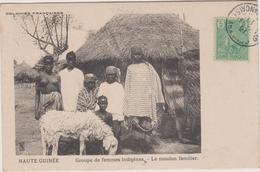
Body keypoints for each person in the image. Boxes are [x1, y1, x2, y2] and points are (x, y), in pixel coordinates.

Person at [124, 46, 165, 152]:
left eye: (139, 54)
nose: (137, 56)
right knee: (135, 122)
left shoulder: (148, 67)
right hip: (135, 99)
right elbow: (128, 85)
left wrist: (154, 96)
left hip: (146, 99)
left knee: (146, 121)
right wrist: (128, 99)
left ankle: (146, 144)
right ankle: (137, 144)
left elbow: (154, 81)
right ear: (132, 56)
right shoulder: (130, 68)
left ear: (142, 55)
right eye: (135, 54)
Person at [97, 66, 124, 152]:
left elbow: (122, 102)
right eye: (108, 75)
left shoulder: (119, 86)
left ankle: (117, 150)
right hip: (104, 114)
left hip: (115, 115)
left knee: (116, 132)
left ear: (115, 75)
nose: (110, 77)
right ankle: (103, 150)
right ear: (106, 75)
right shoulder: (102, 85)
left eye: (112, 75)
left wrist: (120, 117)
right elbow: (99, 100)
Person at [35, 55, 63, 120]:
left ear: (52, 64)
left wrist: (62, 107)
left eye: (50, 63)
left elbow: (60, 92)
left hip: (55, 102)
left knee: (55, 123)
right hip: (44, 102)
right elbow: (37, 94)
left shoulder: (57, 76)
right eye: (47, 63)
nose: (48, 66)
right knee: (44, 123)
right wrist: (36, 110)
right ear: (44, 64)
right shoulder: (39, 76)